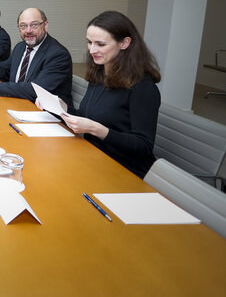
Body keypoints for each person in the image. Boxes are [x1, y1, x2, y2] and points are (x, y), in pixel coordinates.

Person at [59, 11, 161, 178]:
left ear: (125, 43)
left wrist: (97, 130)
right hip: (94, 157)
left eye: (100, 44)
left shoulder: (142, 87)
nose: (92, 50)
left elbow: (143, 146)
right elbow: (89, 116)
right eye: (89, 42)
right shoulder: (99, 74)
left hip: (125, 169)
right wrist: (63, 108)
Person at [0, 7, 73, 107]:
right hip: (16, 104)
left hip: (45, 114)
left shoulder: (58, 54)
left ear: (45, 25)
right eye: (23, 26)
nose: (28, 30)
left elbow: (36, 89)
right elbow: (5, 68)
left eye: (34, 25)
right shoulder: (21, 47)